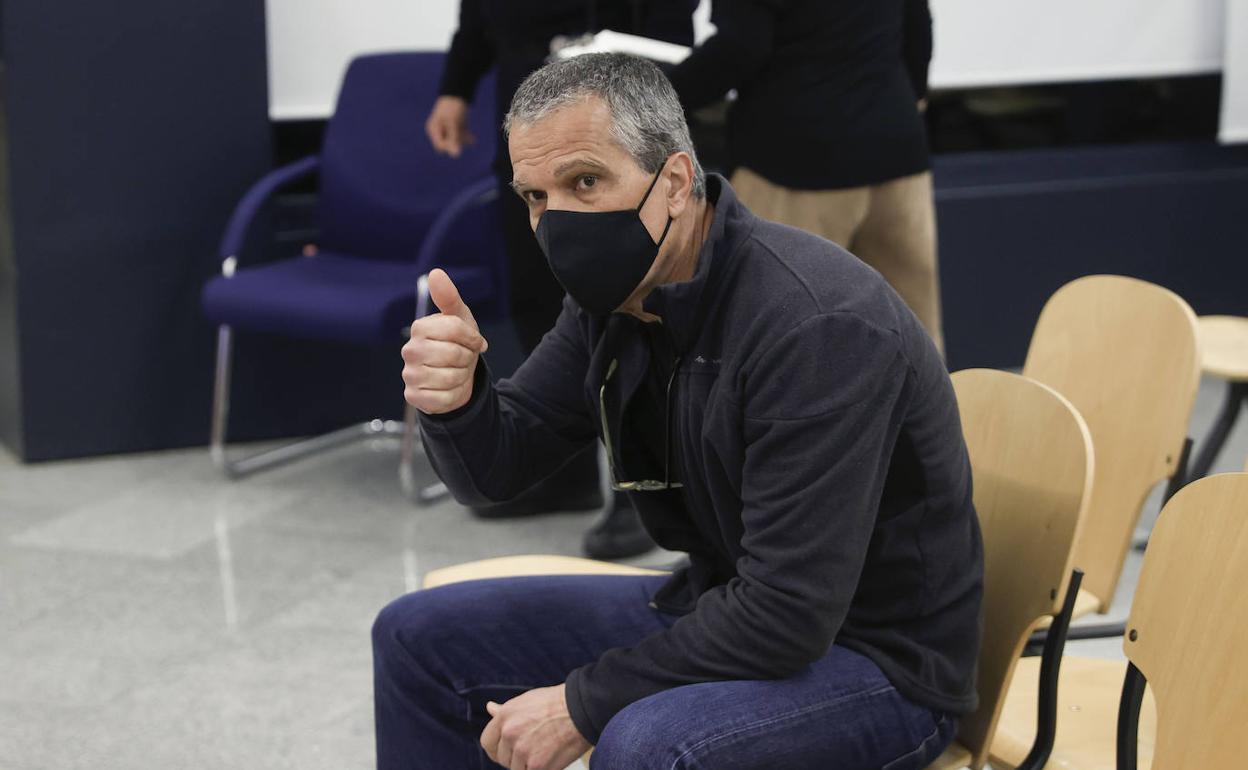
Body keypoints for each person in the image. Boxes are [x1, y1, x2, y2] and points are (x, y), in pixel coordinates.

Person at [379, 54, 982, 770]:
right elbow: (501, 468)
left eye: (584, 182)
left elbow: (789, 616)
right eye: (535, 197)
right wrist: (458, 401)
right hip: (724, 604)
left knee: (647, 746)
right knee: (417, 638)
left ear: (673, 182)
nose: (556, 221)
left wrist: (584, 702)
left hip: (879, 669)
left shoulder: (817, 326)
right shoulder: (619, 296)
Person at [425, 0, 700, 559]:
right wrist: (455, 88)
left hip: (616, 133)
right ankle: (565, 470)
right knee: (534, 294)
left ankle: (642, 485)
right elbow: (478, 16)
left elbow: (672, 31)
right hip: (529, 129)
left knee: (632, 308)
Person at [665, 0, 946, 353]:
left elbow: (740, 47)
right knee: (913, 342)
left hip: (797, 163)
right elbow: (917, 25)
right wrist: (901, 104)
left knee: (777, 342)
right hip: (896, 152)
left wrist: (654, 100)